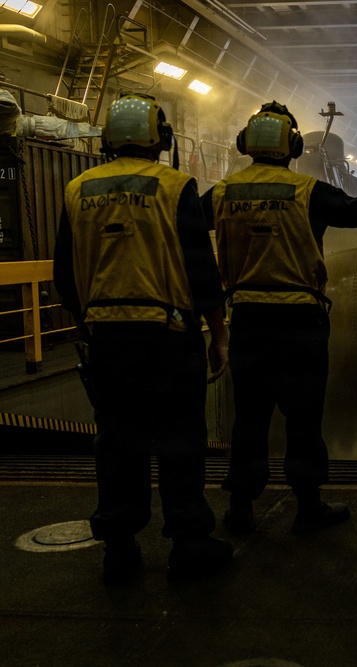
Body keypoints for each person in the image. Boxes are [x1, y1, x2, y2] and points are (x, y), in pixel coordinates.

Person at [201, 101, 357, 536]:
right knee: (304, 417)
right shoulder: (309, 193)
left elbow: (183, 238)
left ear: (245, 145)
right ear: (292, 147)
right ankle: (308, 507)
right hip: (300, 324)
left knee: (249, 418)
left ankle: (240, 508)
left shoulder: (219, 195)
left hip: (248, 321)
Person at [53, 93, 233, 585]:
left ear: (109, 139)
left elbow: (65, 278)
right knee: (181, 439)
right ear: (162, 138)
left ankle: (119, 548)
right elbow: (202, 274)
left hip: (108, 342)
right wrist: (218, 336)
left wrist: (87, 328)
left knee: (117, 442)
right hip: (170, 337)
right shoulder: (178, 188)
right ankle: (190, 543)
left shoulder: (76, 189)